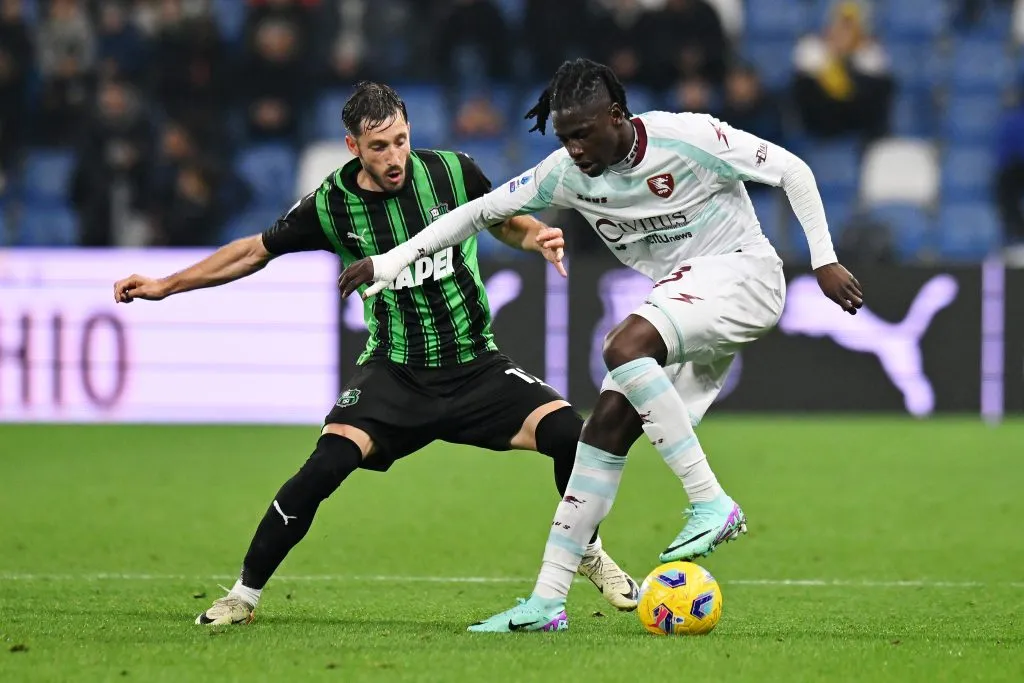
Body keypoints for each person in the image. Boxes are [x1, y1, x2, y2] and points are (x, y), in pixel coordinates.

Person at [338, 59, 864, 633]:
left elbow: (792, 170)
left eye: (583, 133)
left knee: (623, 344)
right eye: (564, 136)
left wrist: (824, 259)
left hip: (743, 276)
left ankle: (712, 502)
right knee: (601, 432)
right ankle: (546, 602)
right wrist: (390, 261)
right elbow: (477, 214)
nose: (575, 148)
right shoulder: (564, 172)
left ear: (617, 115)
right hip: (685, 297)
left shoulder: (688, 136)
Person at [112, 81, 639, 627]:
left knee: (571, 438)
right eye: (379, 146)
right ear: (353, 147)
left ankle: (588, 553)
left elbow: (502, 221)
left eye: (401, 140)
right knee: (323, 468)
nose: (394, 158)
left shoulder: (453, 172)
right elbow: (253, 251)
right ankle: (242, 597)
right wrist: (165, 285)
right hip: (394, 373)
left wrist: (536, 236)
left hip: (476, 365)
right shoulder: (332, 204)